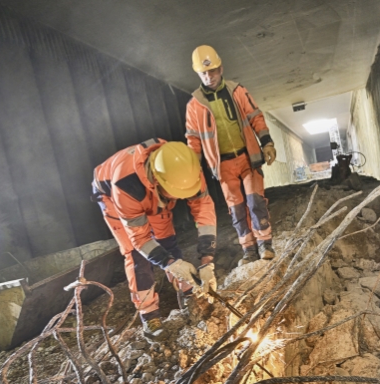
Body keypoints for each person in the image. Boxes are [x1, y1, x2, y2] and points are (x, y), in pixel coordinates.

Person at [92, 139, 218, 334]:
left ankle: (189, 291)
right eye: (175, 195)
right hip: (111, 195)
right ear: (158, 182)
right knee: (136, 256)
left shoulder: (186, 170)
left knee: (167, 241)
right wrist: (171, 264)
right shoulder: (126, 184)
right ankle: (149, 315)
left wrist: (207, 260)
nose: (179, 199)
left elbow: (204, 211)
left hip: (154, 192)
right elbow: (140, 240)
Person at [185, 45, 277, 267]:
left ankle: (265, 244)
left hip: (247, 157)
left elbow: (255, 116)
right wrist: (194, 170)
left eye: (213, 71)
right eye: (204, 73)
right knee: (236, 208)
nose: (209, 77)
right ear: (198, 74)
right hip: (223, 165)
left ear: (221, 68)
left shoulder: (237, 91)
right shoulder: (194, 105)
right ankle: (249, 249)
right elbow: (193, 141)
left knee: (256, 202)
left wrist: (267, 142)